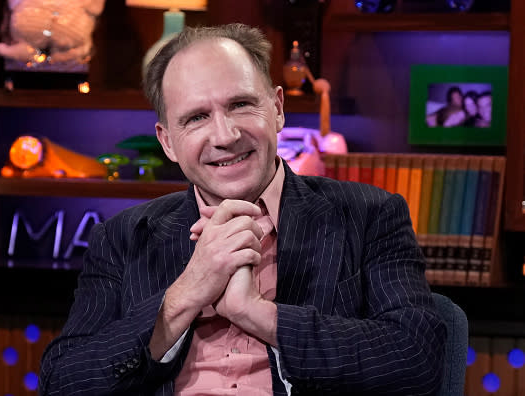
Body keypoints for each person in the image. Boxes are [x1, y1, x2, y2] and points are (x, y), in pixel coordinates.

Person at [39, 24, 446, 395]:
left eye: (240, 105)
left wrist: (257, 314)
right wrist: (183, 296)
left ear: (278, 108)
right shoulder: (125, 236)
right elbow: (63, 382)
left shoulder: (368, 215)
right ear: (167, 142)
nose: (225, 135)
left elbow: (417, 358)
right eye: (197, 117)